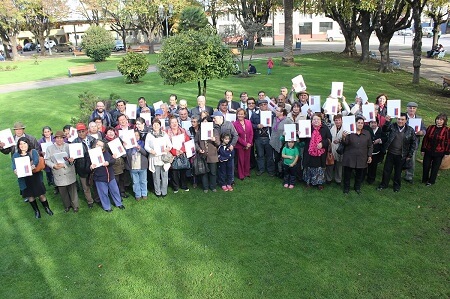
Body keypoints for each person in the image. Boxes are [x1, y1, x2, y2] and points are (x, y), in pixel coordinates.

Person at [12, 137, 53, 219]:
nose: (22, 145)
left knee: (41, 195)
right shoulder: (15, 155)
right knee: (30, 196)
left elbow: (36, 161)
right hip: (24, 179)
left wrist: (31, 167)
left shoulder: (32, 151)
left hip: (35, 177)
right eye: (20, 144)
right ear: (18, 145)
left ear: (28, 144)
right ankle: (36, 211)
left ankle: (47, 208)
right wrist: (15, 171)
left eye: (24, 143)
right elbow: (14, 166)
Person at [377, 113, 416, 192]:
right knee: (387, 170)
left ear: (406, 120)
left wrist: (410, 154)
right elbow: (384, 129)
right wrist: (387, 122)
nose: (400, 121)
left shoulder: (410, 130)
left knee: (398, 171)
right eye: (398, 119)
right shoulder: (392, 126)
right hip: (391, 153)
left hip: (401, 155)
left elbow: (413, 143)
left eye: (402, 119)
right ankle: (384, 184)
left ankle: (396, 186)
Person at [45, 131, 79, 212]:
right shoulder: (50, 148)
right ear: (55, 139)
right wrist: (54, 166)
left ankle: (75, 206)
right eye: (57, 138)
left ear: (64, 138)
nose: (59, 140)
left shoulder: (68, 146)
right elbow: (46, 160)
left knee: (73, 190)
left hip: (69, 171)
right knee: (63, 191)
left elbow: (74, 158)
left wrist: (71, 160)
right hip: (58, 172)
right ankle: (67, 206)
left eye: (61, 138)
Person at [90, 139, 125, 212]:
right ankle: (107, 207)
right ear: (94, 145)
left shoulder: (106, 152)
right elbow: (87, 166)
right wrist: (90, 167)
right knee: (103, 193)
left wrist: (108, 162)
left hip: (110, 176)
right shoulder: (90, 154)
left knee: (115, 190)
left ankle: (118, 203)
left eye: (101, 145)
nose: (99, 146)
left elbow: (112, 160)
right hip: (100, 177)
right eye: (98, 144)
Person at [341, 116, 373, 194]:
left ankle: (357, 188)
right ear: (355, 123)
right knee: (347, 175)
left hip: (361, 158)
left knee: (359, 175)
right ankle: (346, 188)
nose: (360, 124)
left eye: (362, 123)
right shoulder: (349, 132)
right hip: (349, 157)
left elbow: (370, 145)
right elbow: (345, 143)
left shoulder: (367, 133)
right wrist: (344, 137)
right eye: (358, 123)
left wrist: (369, 156)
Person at [301, 113, 332, 190]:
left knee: (319, 167)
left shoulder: (325, 128)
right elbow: (302, 140)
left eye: (318, 119)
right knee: (308, 167)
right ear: (311, 121)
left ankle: (319, 183)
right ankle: (308, 182)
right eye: (314, 119)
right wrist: (300, 134)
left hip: (320, 153)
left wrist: (322, 143)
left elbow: (329, 139)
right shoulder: (308, 127)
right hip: (309, 152)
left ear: (321, 120)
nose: (316, 121)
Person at [144, 119, 173, 198]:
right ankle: (158, 192)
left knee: (164, 176)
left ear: (160, 125)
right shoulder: (149, 135)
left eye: (157, 124)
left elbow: (170, 145)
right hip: (155, 157)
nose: (156, 126)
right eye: (154, 125)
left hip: (164, 158)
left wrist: (168, 149)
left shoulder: (164, 134)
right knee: (156, 176)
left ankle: (164, 192)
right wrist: (150, 150)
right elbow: (146, 146)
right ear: (152, 126)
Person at [72, 123, 97, 208]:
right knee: (85, 186)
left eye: (83, 131)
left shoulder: (93, 139)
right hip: (81, 166)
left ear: (86, 131)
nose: (81, 133)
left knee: (95, 183)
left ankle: (97, 198)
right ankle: (90, 201)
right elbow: (73, 157)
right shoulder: (74, 142)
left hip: (94, 163)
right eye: (79, 132)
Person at [421, 113, 449, 186]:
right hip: (428, 150)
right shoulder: (430, 127)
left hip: (439, 152)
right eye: (437, 119)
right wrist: (423, 149)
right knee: (426, 165)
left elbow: (448, 141)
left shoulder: (447, 130)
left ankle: (431, 181)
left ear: (444, 121)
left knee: (435, 167)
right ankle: (424, 179)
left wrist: (446, 153)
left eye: (441, 120)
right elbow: (425, 139)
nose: (438, 121)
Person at [195, 115, 220, 192]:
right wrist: (199, 149)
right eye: (203, 122)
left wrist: (214, 139)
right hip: (203, 155)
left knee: (213, 172)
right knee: (204, 172)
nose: (205, 124)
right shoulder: (199, 132)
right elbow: (196, 142)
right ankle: (205, 187)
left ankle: (213, 186)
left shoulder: (214, 131)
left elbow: (218, 143)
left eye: (206, 122)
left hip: (212, 155)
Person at [251, 98, 275, 176]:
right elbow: (250, 124)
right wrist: (256, 126)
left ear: (267, 105)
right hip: (259, 137)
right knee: (260, 154)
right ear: (259, 106)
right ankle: (261, 169)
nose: (263, 106)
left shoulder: (272, 114)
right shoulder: (255, 114)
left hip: (268, 137)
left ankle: (270, 170)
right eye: (261, 105)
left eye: (265, 104)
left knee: (269, 155)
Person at [166, 116, 191, 193]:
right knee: (174, 171)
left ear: (178, 123)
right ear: (169, 124)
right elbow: (166, 144)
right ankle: (175, 186)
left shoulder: (183, 131)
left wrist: (182, 150)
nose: (174, 124)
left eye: (175, 122)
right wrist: (174, 151)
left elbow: (187, 141)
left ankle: (184, 185)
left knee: (183, 170)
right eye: (172, 122)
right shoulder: (167, 133)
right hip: (173, 153)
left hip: (182, 153)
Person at [404, 102, 426, 184]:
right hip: (403, 143)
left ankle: (409, 176)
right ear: (407, 108)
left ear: (416, 109)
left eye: (413, 108)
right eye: (410, 108)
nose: (412, 109)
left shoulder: (419, 119)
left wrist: (422, 132)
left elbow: (424, 129)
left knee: (411, 160)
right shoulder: (402, 117)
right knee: (400, 159)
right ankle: (397, 173)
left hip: (414, 143)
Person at [125, 130, 149, 200]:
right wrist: (124, 147)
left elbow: (146, 153)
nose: (136, 137)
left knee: (143, 181)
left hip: (142, 166)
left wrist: (140, 148)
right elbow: (124, 155)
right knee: (135, 182)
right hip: (133, 166)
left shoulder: (143, 143)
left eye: (137, 135)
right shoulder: (128, 145)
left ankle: (144, 193)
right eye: (134, 135)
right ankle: (137, 194)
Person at [270, 105, 293, 177]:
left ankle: (283, 172)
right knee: (276, 158)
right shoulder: (274, 119)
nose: (275, 112)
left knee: (283, 158)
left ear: (282, 113)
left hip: (283, 142)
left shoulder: (287, 120)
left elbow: (292, 129)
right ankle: (277, 171)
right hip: (274, 140)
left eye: (277, 111)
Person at [233, 108, 253, 180]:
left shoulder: (248, 122)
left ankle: (246, 172)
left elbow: (251, 133)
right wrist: (245, 144)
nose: (240, 115)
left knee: (247, 159)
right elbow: (237, 136)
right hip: (240, 145)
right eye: (238, 114)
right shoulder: (234, 124)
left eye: (241, 114)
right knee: (241, 160)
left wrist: (249, 143)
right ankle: (241, 175)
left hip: (248, 145)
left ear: (244, 115)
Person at [365, 119, 387, 184]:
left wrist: (379, 140)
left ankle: (371, 179)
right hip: (367, 151)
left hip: (376, 152)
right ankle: (363, 176)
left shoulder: (380, 130)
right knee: (365, 165)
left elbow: (385, 138)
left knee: (373, 166)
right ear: (369, 124)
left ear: (377, 123)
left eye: (375, 123)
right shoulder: (366, 129)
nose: (373, 124)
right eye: (372, 123)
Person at [325, 114, 344, 185]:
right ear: (334, 121)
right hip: (332, 149)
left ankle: (338, 179)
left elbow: (347, 139)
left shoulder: (344, 129)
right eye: (336, 120)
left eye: (339, 120)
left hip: (340, 149)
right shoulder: (331, 128)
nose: (338, 122)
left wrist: (339, 140)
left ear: (342, 121)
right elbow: (329, 138)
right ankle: (328, 179)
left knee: (339, 166)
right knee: (330, 164)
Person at [37, 126, 56, 191]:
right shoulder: (40, 141)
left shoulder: (54, 138)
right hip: (46, 158)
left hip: (54, 158)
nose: (47, 133)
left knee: (55, 171)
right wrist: (41, 152)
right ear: (43, 133)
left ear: (51, 131)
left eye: (48, 131)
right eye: (45, 132)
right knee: (49, 172)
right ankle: (52, 183)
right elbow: (38, 150)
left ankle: (56, 186)